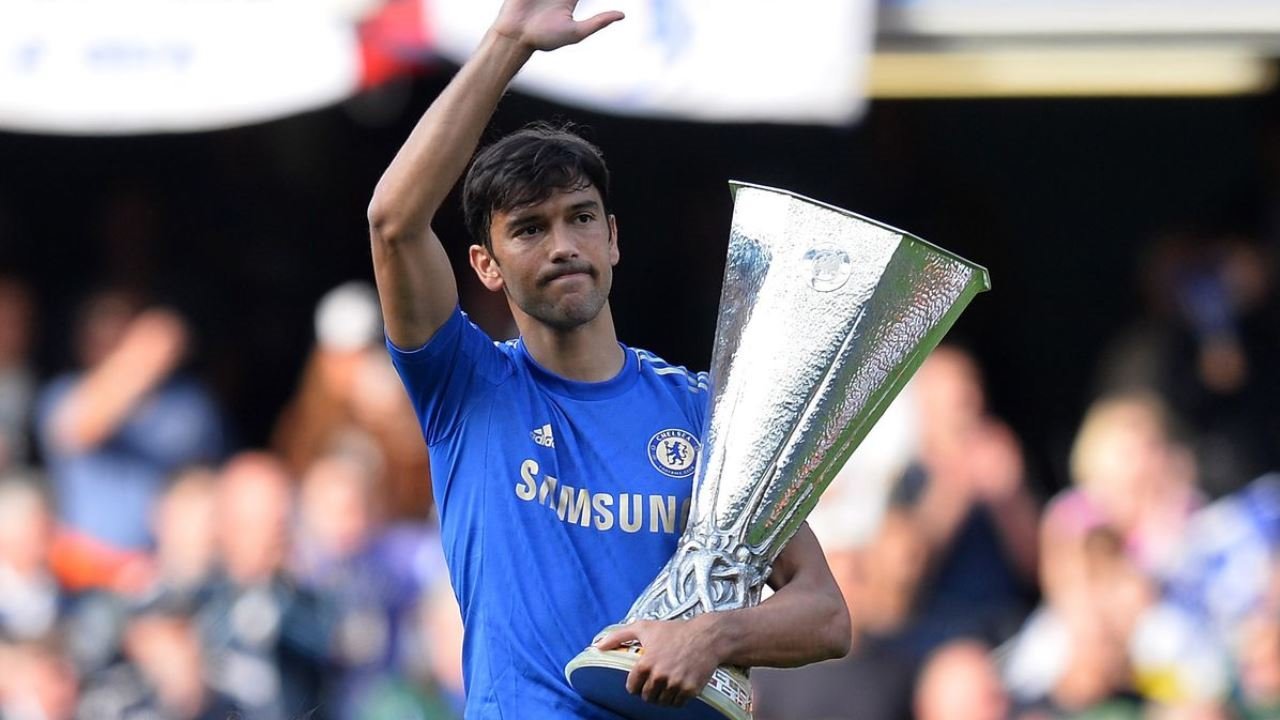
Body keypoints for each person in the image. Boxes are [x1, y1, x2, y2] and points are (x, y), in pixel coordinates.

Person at [366, 0, 850, 717]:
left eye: (581, 218)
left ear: (613, 238)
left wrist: (712, 636)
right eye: (529, 229)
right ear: (486, 265)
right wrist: (507, 42)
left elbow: (826, 614)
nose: (564, 245)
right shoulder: (466, 386)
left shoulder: (704, 412)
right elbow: (393, 222)